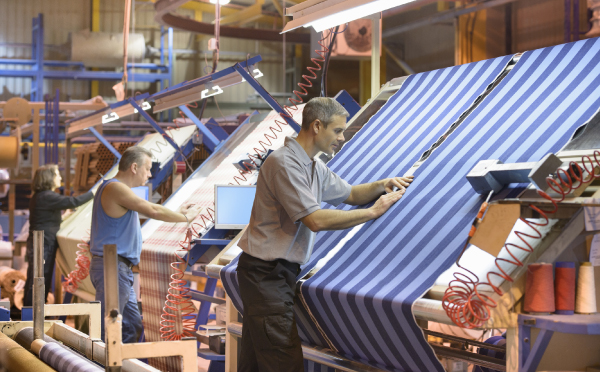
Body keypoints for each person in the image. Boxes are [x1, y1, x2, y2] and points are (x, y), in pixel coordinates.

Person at [236, 97, 414, 372]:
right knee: (283, 363)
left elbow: (352, 194)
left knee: (257, 363)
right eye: (338, 131)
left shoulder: (313, 167)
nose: (342, 138)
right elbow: (315, 220)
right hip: (265, 275)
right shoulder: (284, 164)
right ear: (317, 126)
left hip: (275, 274)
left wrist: (382, 184)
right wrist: (371, 213)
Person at [89, 146, 202, 343]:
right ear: (134, 167)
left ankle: (117, 365)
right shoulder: (115, 188)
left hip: (120, 269)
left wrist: (176, 210)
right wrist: (185, 217)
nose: (149, 174)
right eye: (148, 169)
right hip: (113, 268)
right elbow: (152, 210)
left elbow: (151, 209)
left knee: (132, 325)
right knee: (107, 328)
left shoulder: (116, 190)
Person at [24, 164, 94, 307]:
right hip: (43, 243)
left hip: (40, 242)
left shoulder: (40, 196)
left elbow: (44, 218)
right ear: (49, 178)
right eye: (57, 174)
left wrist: (62, 217)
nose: (60, 177)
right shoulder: (47, 196)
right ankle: (33, 314)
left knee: (35, 277)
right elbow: (73, 202)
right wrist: (95, 192)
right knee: (39, 279)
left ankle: (30, 312)